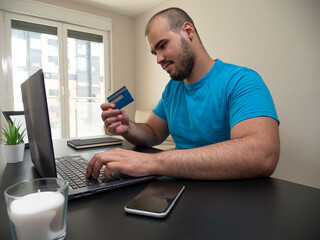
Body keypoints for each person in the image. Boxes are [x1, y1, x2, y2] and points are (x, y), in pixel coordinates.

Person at [86, 7, 280, 181]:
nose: (159, 59)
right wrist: (127, 127)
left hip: (227, 200)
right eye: (155, 53)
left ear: (188, 31)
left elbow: (262, 155)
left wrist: (151, 163)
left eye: (163, 45)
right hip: (176, 193)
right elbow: (153, 132)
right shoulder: (172, 89)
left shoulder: (241, 80)